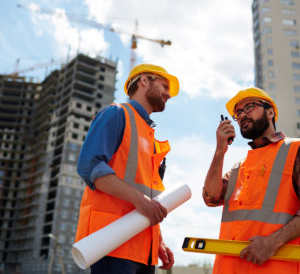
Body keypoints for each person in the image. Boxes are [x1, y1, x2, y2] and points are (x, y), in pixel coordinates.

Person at [75, 63, 179, 274]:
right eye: (164, 85)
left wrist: (158, 240)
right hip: (112, 244)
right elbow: (90, 167)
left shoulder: (150, 138)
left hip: (144, 250)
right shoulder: (116, 114)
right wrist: (142, 202)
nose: (168, 94)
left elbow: (150, 198)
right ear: (143, 81)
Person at [203, 87, 300, 274]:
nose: (242, 115)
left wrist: (274, 242)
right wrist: (219, 151)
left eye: (249, 107)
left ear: (270, 112)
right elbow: (211, 197)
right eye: (238, 112)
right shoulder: (239, 166)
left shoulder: (295, 150)